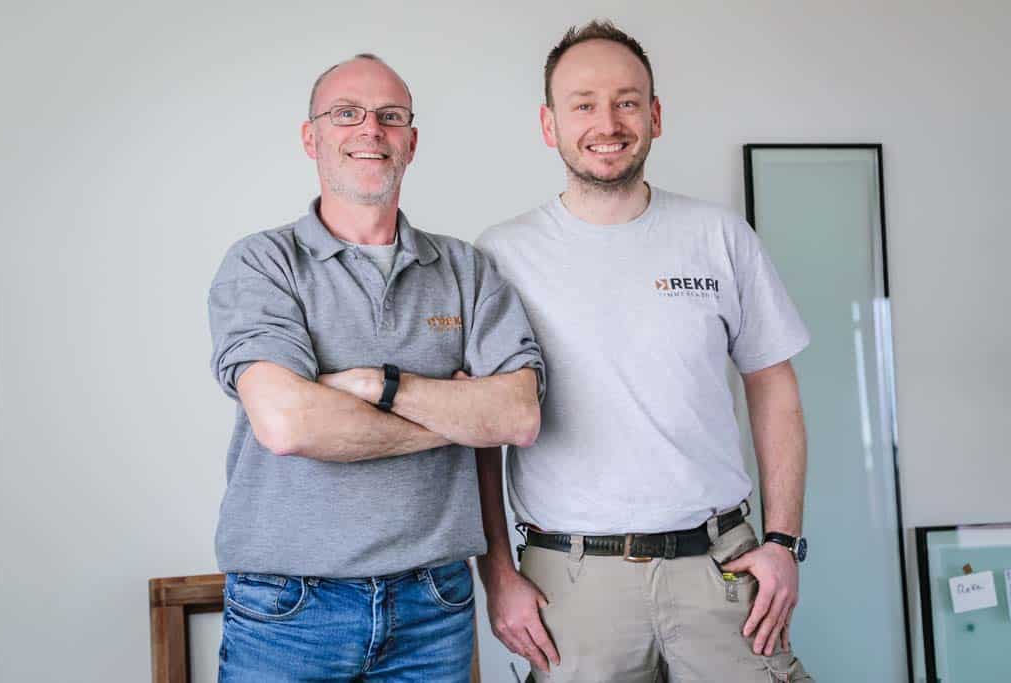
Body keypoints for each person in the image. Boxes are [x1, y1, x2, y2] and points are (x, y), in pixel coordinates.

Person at [474, 21, 814, 682]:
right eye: (583, 104)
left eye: (626, 101)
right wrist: (498, 573)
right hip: (570, 583)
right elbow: (482, 436)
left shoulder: (719, 236)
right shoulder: (501, 255)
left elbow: (774, 385)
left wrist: (782, 541)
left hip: (721, 568)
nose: (607, 122)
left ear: (655, 115)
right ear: (549, 124)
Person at [208, 53, 545, 682]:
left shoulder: (465, 269)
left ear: (411, 143)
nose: (370, 129)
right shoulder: (263, 263)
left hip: (433, 604)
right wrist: (457, 418)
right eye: (346, 114)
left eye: (390, 117)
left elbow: (518, 416)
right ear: (311, 137)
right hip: (288, 609)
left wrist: (376, 384)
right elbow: (287, 425)